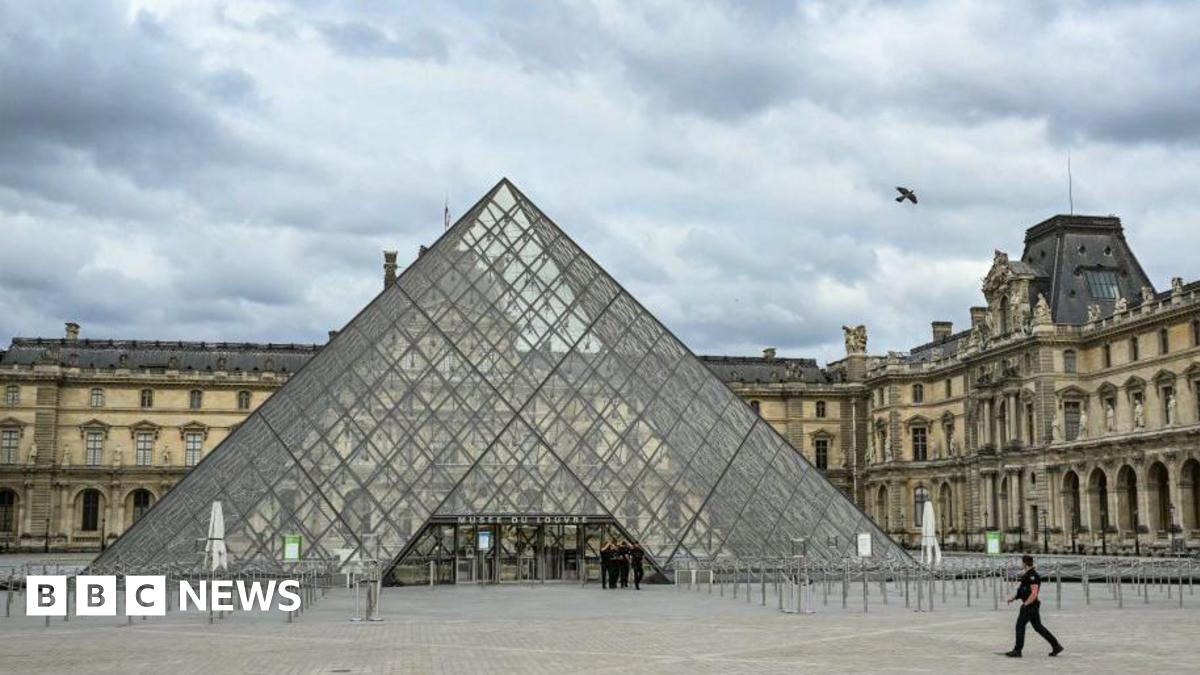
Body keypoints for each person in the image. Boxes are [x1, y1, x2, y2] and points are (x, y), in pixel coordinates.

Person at [1005, 555, 1064, 658]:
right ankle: (1056, 646)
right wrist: (1013, 598)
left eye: (1022, 563)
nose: (1021, 564)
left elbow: (1034, 593)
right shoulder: (1028, 574)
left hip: (1030, 606)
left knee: (1020, 626)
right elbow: (1023, 590)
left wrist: (1025, 604)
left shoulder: (1033, 576)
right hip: (1032, 605)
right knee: (1038, 627)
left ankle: (1017, 650)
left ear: (1024, 563)